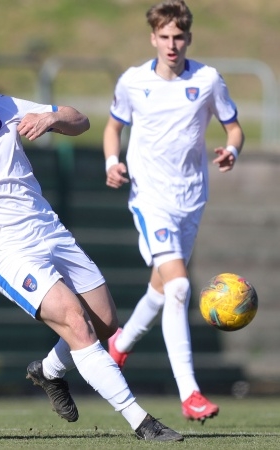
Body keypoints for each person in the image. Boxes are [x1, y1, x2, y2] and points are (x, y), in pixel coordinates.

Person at [0, 51, 183, 442]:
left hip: (50, 232)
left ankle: (48, 371)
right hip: (6, 253)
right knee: (75, 322)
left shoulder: (4, 106)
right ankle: (142, 422)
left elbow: (81, 121)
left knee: (105, 323)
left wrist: (53, 118)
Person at [102, 0, 243, 423]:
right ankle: (191, 394)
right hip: (150, 198)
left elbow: (232, 125)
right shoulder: (133, 81)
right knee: (180, 287)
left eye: (178, 37)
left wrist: (231, 150)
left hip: (191, 199)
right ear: (153, 38)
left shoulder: (207, 80)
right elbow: (113, 127)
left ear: (188, 38)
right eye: (164, 36)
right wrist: (112, 163)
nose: (171, 44)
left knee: (162, 289)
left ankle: (119, 346)